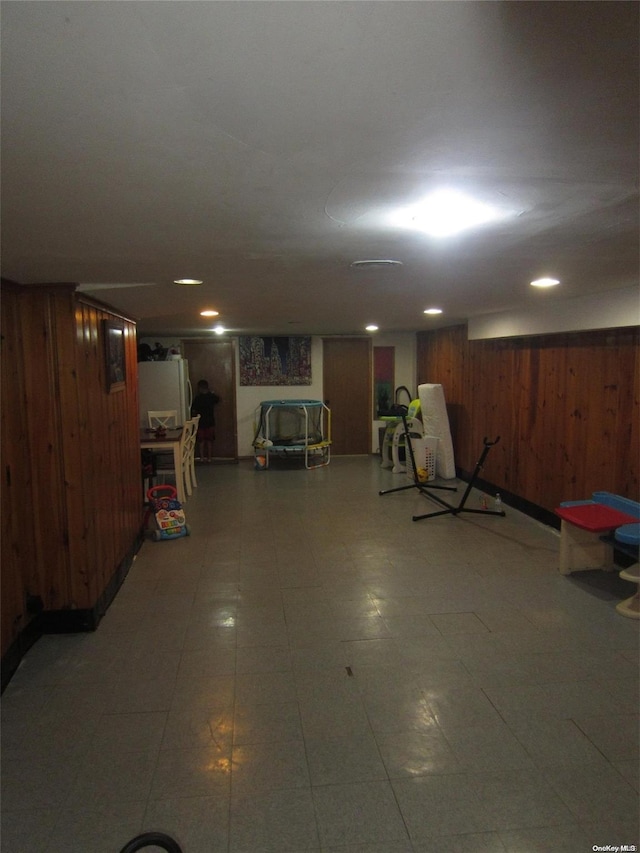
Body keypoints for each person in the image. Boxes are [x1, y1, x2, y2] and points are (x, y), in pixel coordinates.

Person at [191, 379, 220, 462]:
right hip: (210, 421)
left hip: (200, 422)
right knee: (209, 441)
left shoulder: (197, 398)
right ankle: (209, 458)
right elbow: (218, 399)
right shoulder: (211, 396)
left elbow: (193, 409)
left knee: (201, 441)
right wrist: (212, 392)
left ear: (199, 388)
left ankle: (202, 457)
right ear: (207, 387)